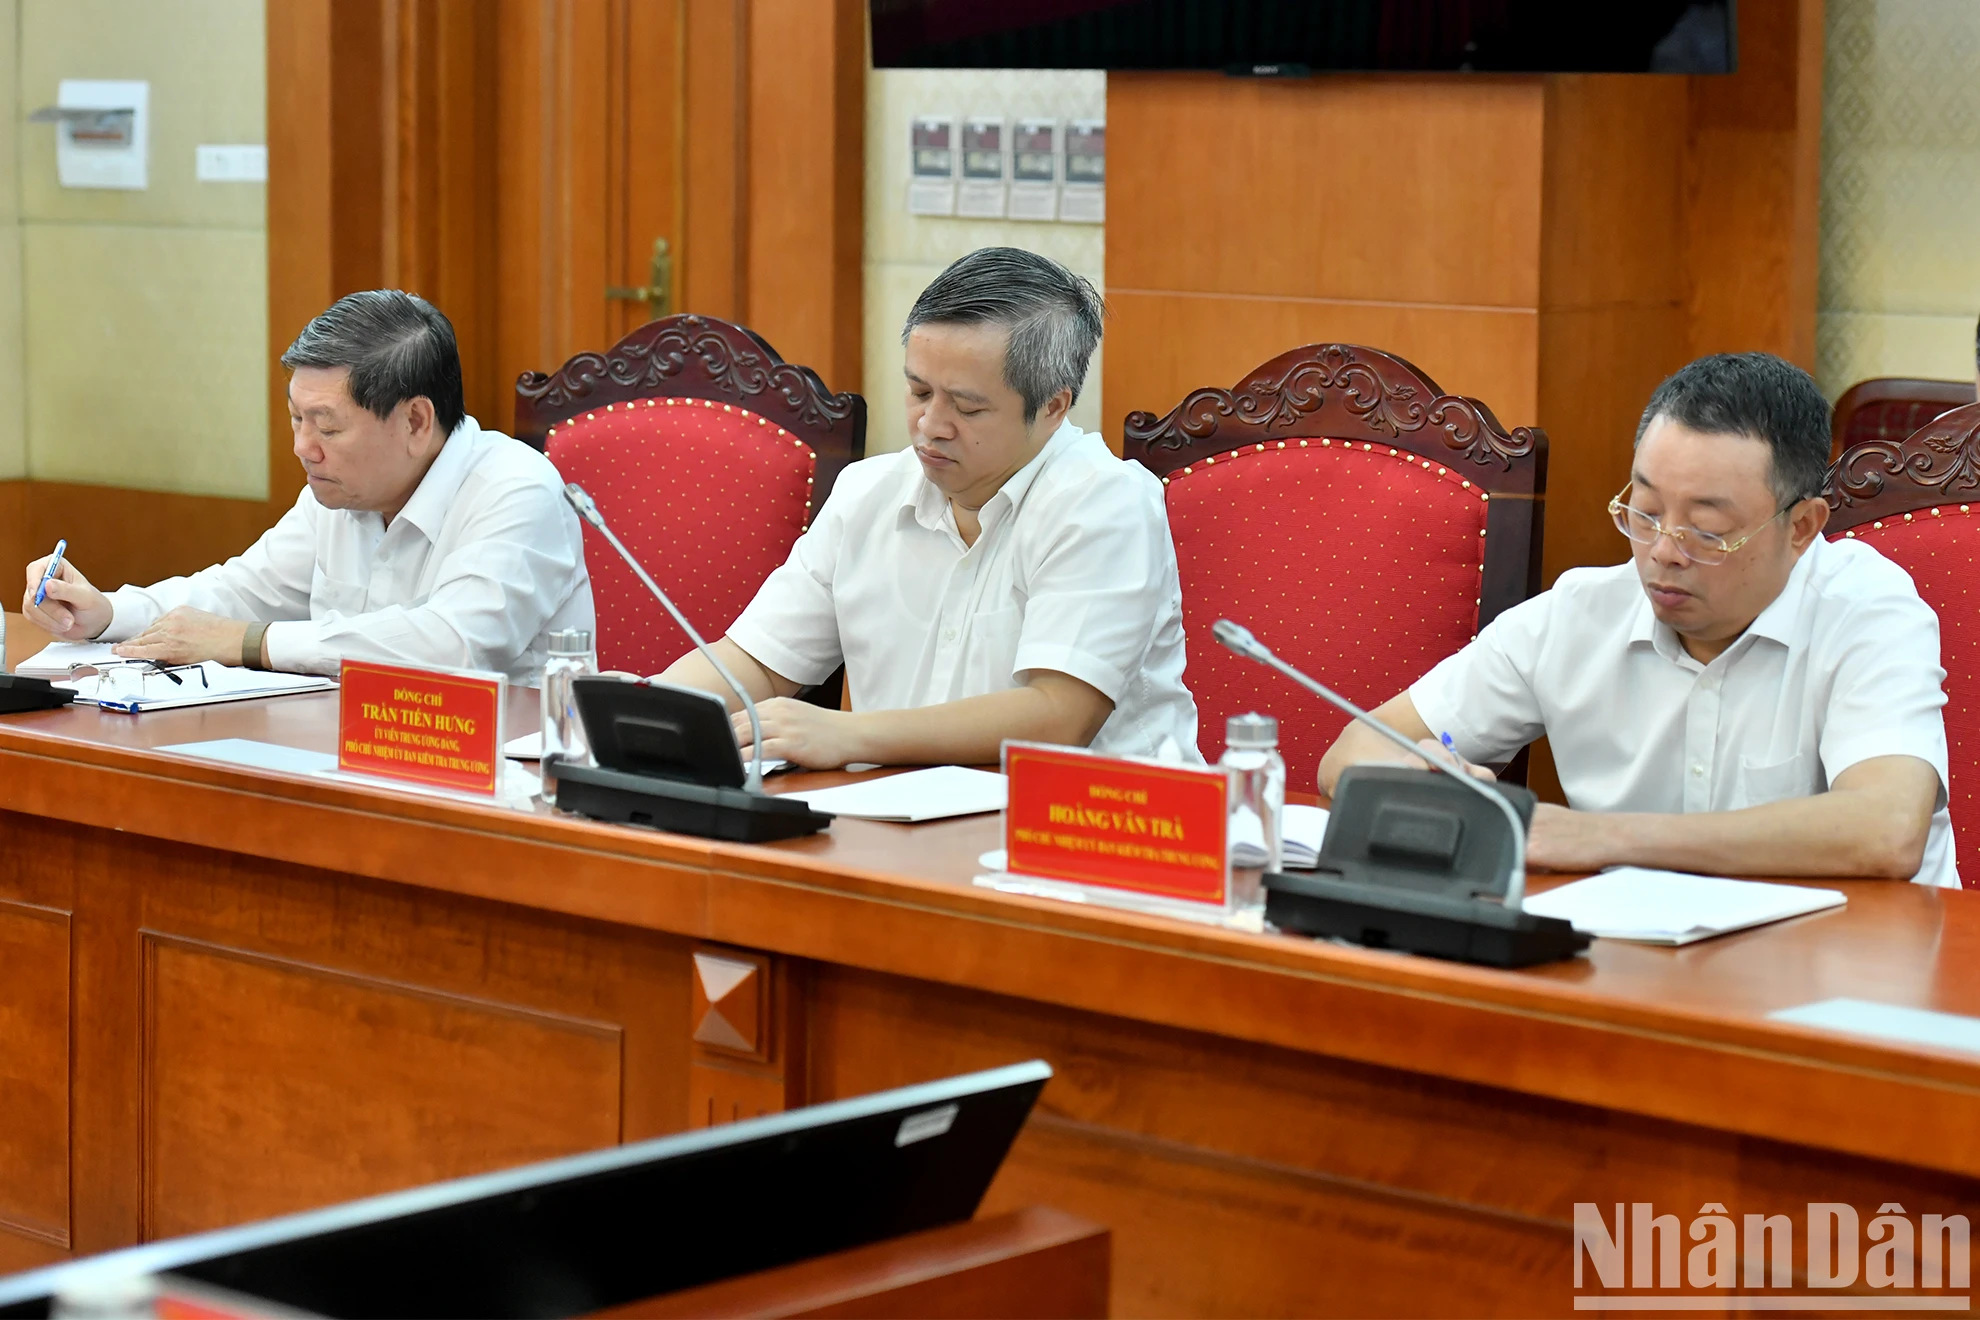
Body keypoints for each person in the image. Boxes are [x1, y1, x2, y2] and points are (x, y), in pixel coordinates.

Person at [1318, 351, 1957, 887]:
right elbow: (1353, 751)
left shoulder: (1868, 609)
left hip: (1843, 977)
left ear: (1802, 526)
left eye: (1707, 531)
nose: (1663, 552)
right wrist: (1433, 784)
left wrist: (1600, 837)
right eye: (1645, 511)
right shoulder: (1581, 613)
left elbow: (1885, 830)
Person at [657, 246, 1201, 769]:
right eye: (919, 393)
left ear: (1054, 406)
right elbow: (757, 662)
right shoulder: (867, 493)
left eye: (967, 407)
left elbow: (1058, 716)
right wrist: (635, 715)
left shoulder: (1103, 503)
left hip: (1091, 836)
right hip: (891, 827)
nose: (931, 426)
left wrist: (847, 735)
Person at [20, 290, 593, 685]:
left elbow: (451, 644)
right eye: (296, 418)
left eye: (328, 426)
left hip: (507, 782)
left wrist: (251, 643)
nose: (303, 447)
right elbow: (242, 591)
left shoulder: (516, 489)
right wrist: (107, 612)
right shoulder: (342, 490)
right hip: (352, 755)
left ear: (416, 422)